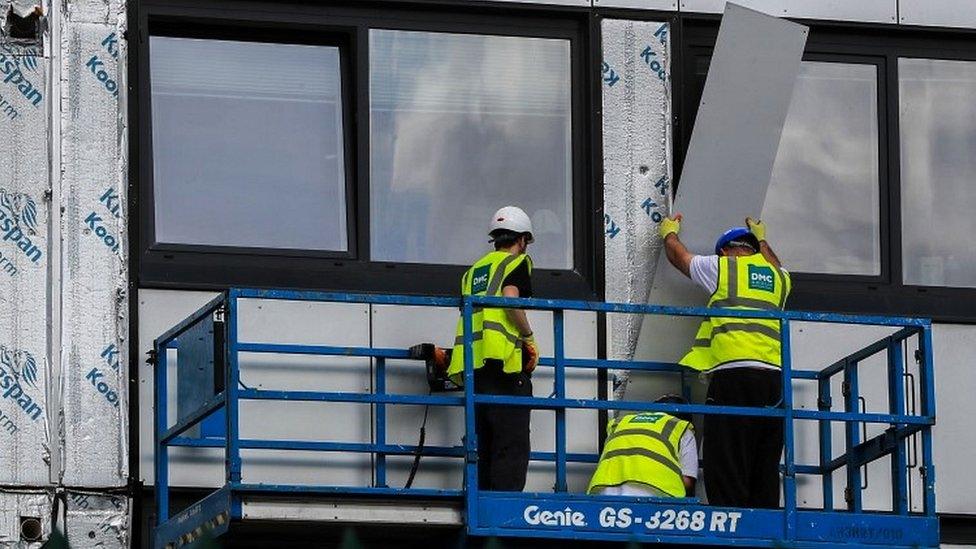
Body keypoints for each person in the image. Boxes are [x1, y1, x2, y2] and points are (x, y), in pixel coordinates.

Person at [658, 214, 790, 508]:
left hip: (734, 374)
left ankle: (730, 520)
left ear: (725, 250)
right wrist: (763, 238)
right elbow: (775, 264)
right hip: (774, 382)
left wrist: (669, 233)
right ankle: (763, 524)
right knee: (764, 458)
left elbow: (680, 258)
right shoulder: (780, 278)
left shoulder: (723, 268)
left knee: (726, 454)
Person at [447, 206, 540, 491]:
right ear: (522, 239)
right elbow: (510, 298)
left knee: (482, 441)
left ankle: (481, 499)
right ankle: (505, 506)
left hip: (473, 366)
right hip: (503, 363)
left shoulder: (474, 271)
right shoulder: (516, 263)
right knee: (510, 442)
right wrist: (528, 337)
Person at [587, 395, 698, 498]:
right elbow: (687, 480)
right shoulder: (681, 427)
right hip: (655, 494)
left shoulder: (620, 422)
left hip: (604, 491)